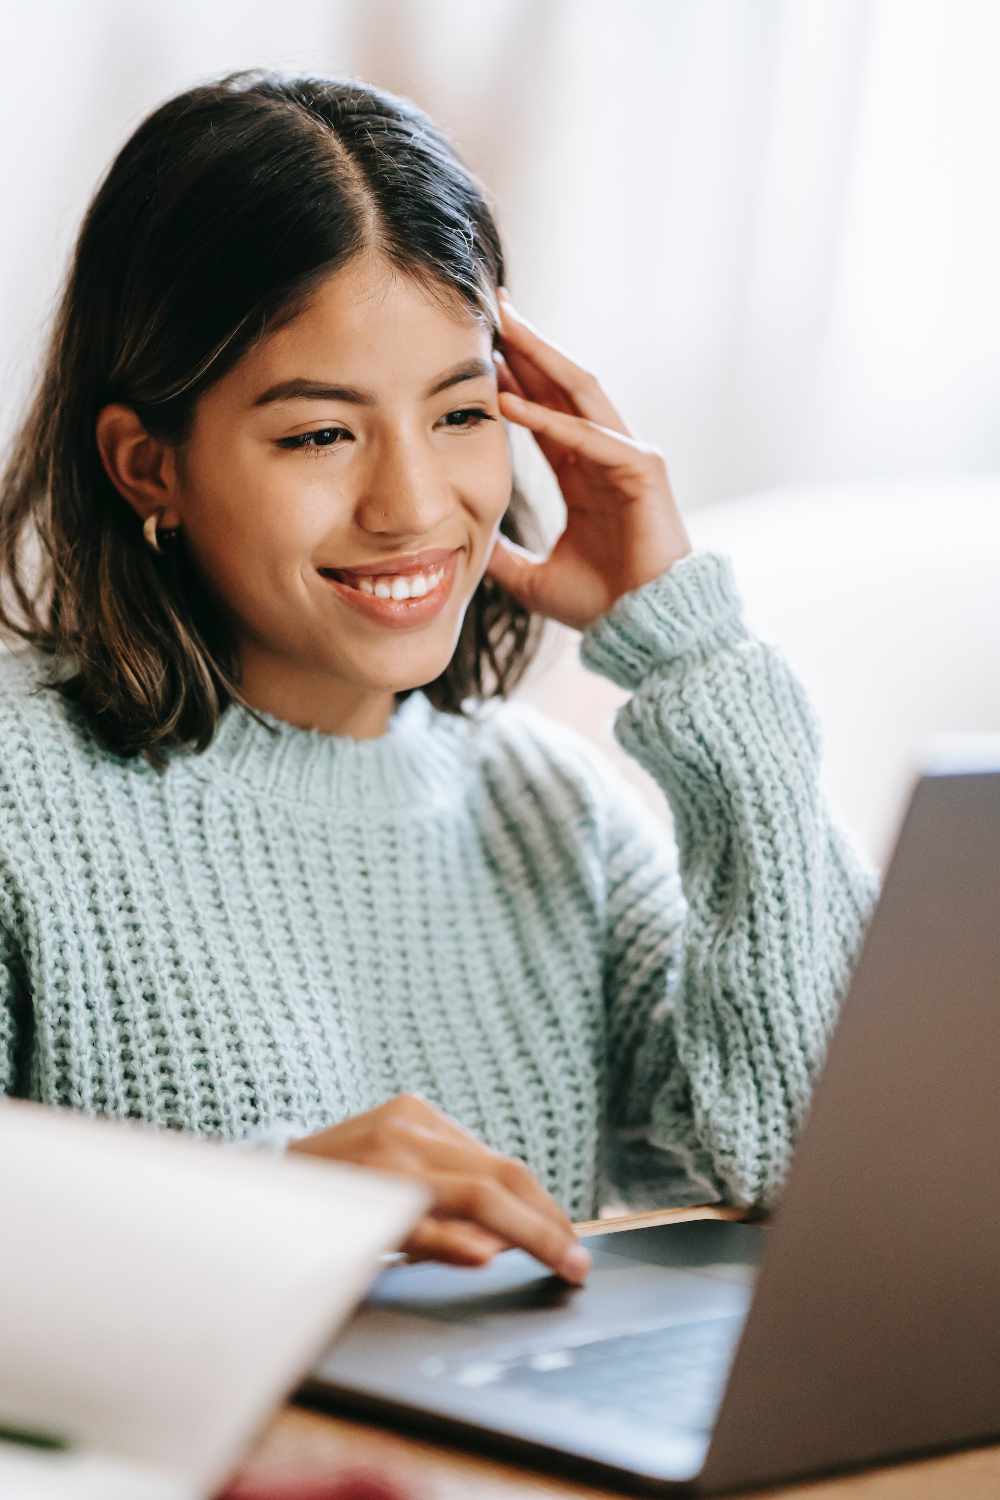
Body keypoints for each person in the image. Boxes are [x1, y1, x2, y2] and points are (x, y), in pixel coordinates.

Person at [0, 67, 879, 1288]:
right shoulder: (19, 795)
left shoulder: (555, 820)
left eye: (462, 414)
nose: (413, 506)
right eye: (318, 433)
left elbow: (821, 1181)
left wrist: (696, 653)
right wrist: (261, 1213)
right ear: (149, 467)